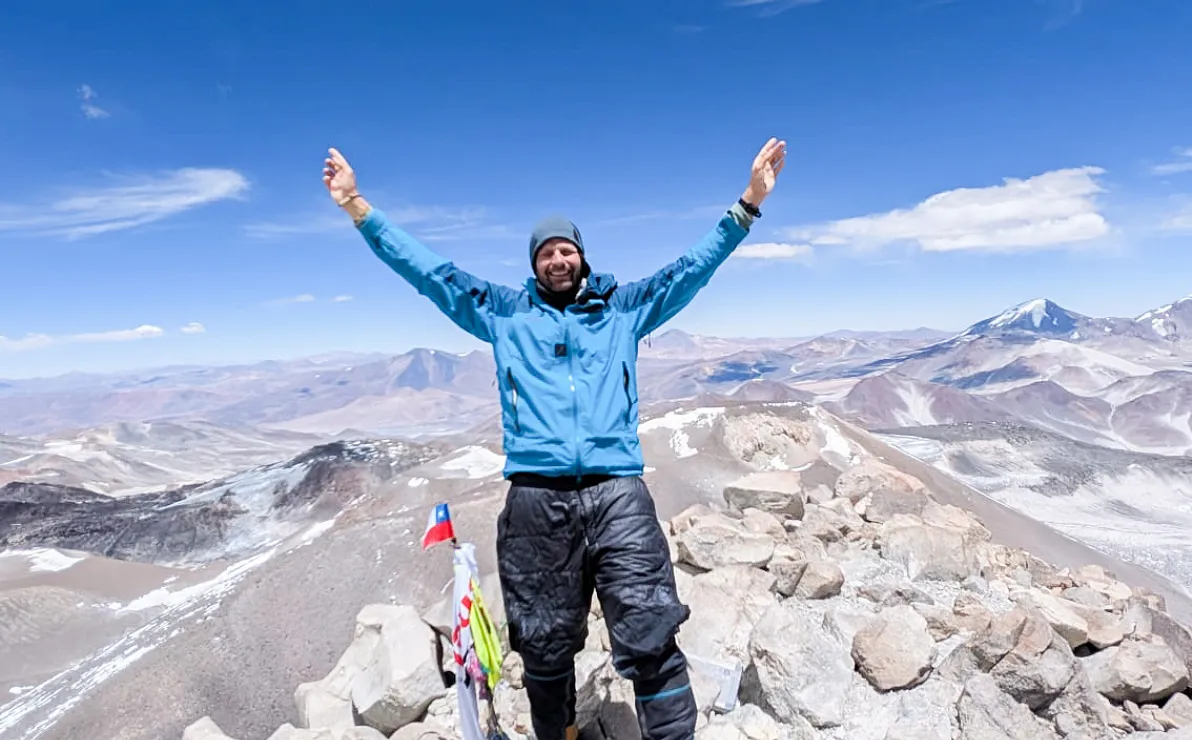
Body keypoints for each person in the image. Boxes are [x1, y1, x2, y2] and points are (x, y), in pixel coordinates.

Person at [322, 138, 786, 740]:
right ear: (535, 263)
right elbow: (429, 273)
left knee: (649, 632)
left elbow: (689, 271)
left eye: (567, 249)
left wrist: (747, 205)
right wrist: (358, 206)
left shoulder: (623, 309)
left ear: (583, 257)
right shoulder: (503, 312)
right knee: (543, 648)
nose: (558, 259)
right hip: (536, 500)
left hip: (618, 492)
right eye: (547, 252)